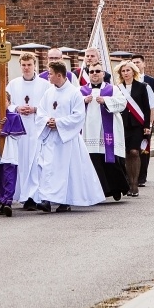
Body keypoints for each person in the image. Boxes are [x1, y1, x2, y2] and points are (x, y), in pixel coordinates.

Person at [29, 61, 105, 213]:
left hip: (67, 140)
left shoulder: (74, 93)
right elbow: (41, 112)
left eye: (50, 73)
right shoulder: (49, 92)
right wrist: (46, 121)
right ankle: (47, 200)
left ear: (59, 75)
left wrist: (58, 122)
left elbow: (78, 116)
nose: (48, 76)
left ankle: (65, 201)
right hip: (51, 138)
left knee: (66, 171)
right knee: (47, 168)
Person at [7, 52, 51, 210]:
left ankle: (35, 196)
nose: (26, 68)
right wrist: (17, 108)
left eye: (29, 65)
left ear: (35, 65)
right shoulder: (13, 84)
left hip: (36, 129)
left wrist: (35, 109)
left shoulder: (44, 85)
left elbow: (50, 105)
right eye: (23, 65)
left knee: (35, 162)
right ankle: (23, 196)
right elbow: (6, 104)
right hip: (19, 129)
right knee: (22, 162)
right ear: (20, 66)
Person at [81, 62, 130, 201]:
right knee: (93, 162)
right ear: (88, 74)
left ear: (103, 73)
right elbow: (72, 105)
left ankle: (116, 188)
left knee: (110, 162)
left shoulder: (112, 89)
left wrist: (106, 101)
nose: (95, 74)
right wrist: (83, 100)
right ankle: (98, 192)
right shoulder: (81, 90)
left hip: (107, 132)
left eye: (97, 71)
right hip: (88, 133)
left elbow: (123, 103)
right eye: (92, 72)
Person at [115, 60, 153, 196]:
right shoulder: (118, 88)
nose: (125, 73)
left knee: (135, 152)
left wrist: (146, 126)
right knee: (125, 154)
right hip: (122, 125)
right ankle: (128, 183)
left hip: (137, 124)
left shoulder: (141, 87)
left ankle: (135, 184)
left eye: (128, 70)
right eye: (123, 71)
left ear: (133, 71)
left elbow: (146, 108)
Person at [131, 54, 154, 187]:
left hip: (147, 118)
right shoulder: (129, 81)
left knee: (144, 148)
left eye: (138, 62)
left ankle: (142, 176)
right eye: (133, 62)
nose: (136, 64)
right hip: (133, 120)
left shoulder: (150, 81)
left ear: (143, 64)